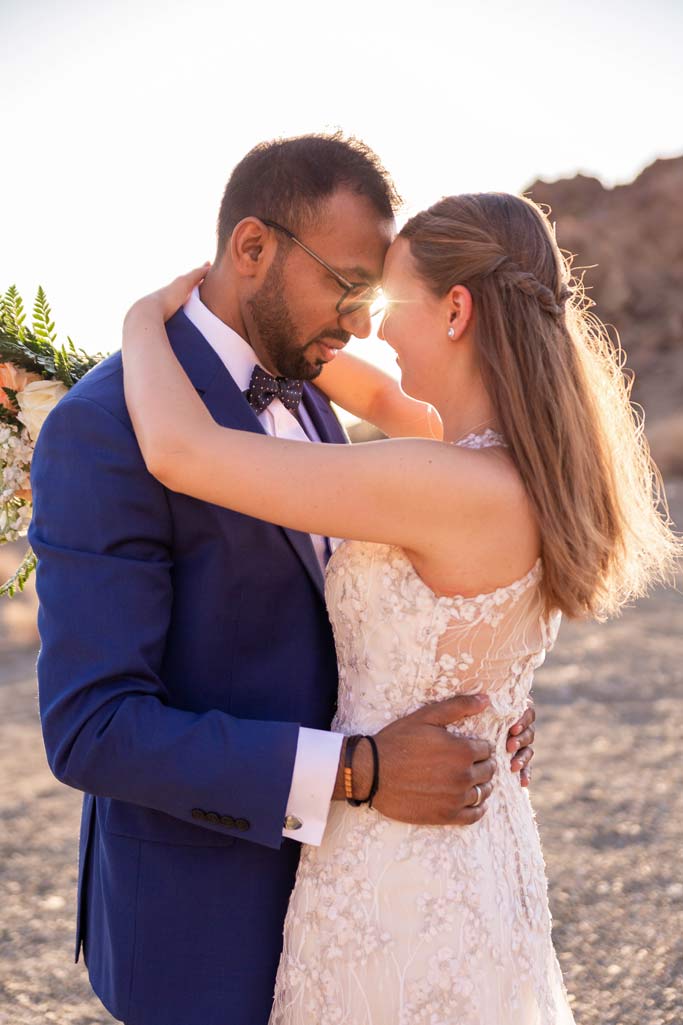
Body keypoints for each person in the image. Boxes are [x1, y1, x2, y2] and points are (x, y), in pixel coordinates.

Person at [120, 190, 680, 1024]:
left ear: (456, 309)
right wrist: (257, 315)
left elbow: (179, 452)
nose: (372, 330)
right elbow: (371, 391)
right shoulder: (514, 462)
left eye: (389, 303)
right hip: (471, 854)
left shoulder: (439, 483)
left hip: (399, 867)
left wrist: (141, 318)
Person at [28, 135, 537, 1025]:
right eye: (345, 284)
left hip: (371, 906)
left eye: (371, 292)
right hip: (204, 925)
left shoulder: (306, 384)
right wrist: (357, 770)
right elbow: (92, 729)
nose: (359, 320)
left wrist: (483, 693)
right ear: (252, 248)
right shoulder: (103, 428)